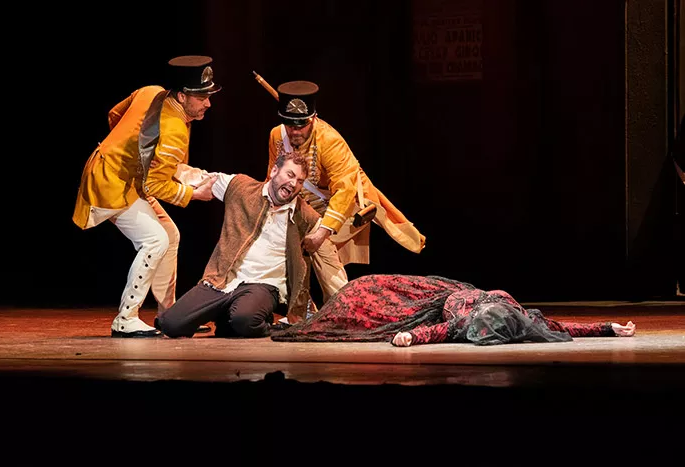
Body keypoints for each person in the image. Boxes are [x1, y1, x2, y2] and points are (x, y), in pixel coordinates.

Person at [72, 55, 221, 337]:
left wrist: (129, 150)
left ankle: (169, 315)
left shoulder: (151, 91)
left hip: (126, 178)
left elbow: (114, 115)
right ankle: (125, 318)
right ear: (182, 96)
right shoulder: (174, 130)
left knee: (170, 235)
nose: (208, 104)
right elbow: (155, 185)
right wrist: (193, 194)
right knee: (155, 240)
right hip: (112, 183)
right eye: (202, 97)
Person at [265, 80, 426, 305]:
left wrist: (322, 231)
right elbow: (272, 177)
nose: (295, 131)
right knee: (285, 243)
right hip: (307, 205)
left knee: (321, 245)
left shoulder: (329, 140)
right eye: (290, 124)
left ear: (313, 118)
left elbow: (345, 189)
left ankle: (343, 306)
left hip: (348, 203)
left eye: (301, 125)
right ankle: (301, 310)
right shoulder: (277, 136)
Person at [157, 151, 321, 338]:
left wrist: (324, 233)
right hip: (222, 281)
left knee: (245, 320)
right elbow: (202, 177)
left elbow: (325, 231)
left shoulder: (302, 213)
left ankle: (268, 327)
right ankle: (226, 318)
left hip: (263, 284)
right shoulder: (241, 187)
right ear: (274, 171)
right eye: (290, 175)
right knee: (171, 324)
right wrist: (166, 167)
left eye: (300, 181)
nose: (293, 184)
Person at [270, 274, 636, 345]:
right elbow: (558, 325)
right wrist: (606, 326)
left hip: (429, 307)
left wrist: (410, 336)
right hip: (434, 293)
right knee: (369, 290)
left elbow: (439, 331)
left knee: (364, 303)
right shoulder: (511, 315)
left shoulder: (479, 323)